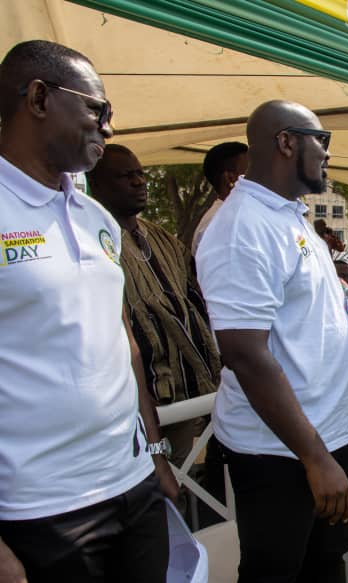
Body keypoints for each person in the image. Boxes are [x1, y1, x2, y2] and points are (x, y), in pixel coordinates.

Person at [0, 40, 172, 582]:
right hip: (39, 512)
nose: (109, 128)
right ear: (39, 98)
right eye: (98, 109)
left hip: (133, 486)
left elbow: (125, 344)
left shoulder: (96, 218)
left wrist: (156, 452)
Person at [196, 100, 348, 582]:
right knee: (276, 573)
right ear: (286, 142)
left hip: (325, 436)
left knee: (324, 566)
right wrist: (315, 457)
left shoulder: (289, 215)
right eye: (321, 140)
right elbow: (245, 355)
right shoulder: (242, 227)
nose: (328, 153)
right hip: (281, 452)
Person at [87, 144, 222, 468]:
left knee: (180, 473)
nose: (139, 182)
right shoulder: (89, 241)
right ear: (96, 184)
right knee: (146, 475)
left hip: (185, 389)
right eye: (125, 176)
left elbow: (196, 298)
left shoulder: (162, 239)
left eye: (140, 174)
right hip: (131, 399)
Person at [191, 141, 248, 254]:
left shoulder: (234, 216)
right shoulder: (220, 224)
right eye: (252, 171)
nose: (260, 177)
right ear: (231, 178)